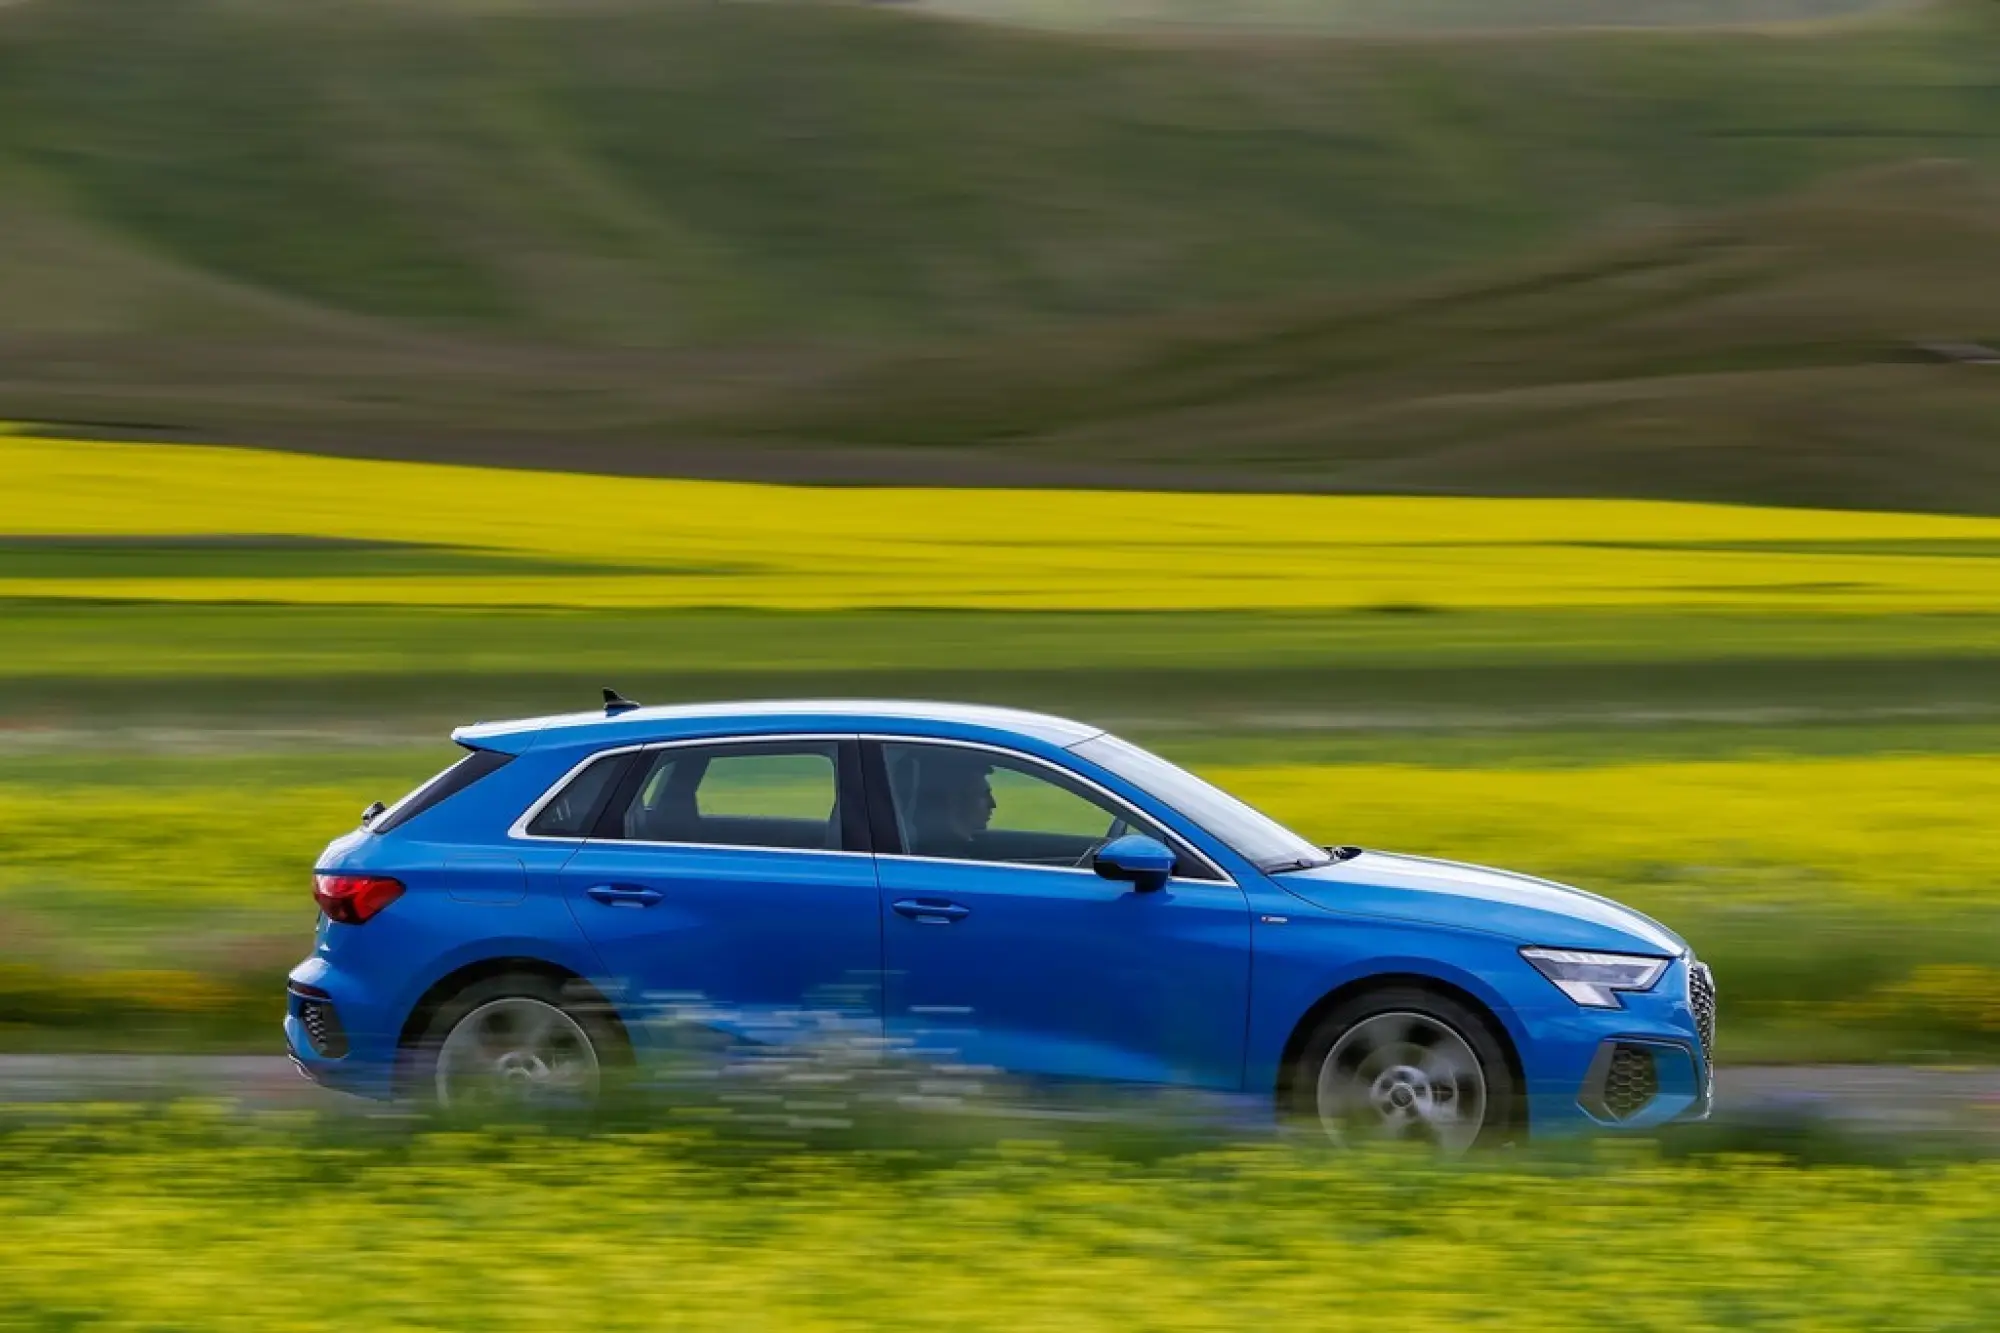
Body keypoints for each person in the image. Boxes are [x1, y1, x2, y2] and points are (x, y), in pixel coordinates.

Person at [906, 750, 997, 857]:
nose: (993, 804)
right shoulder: (948, 858)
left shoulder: (942, 849)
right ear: (954, 798)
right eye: (983, 794)